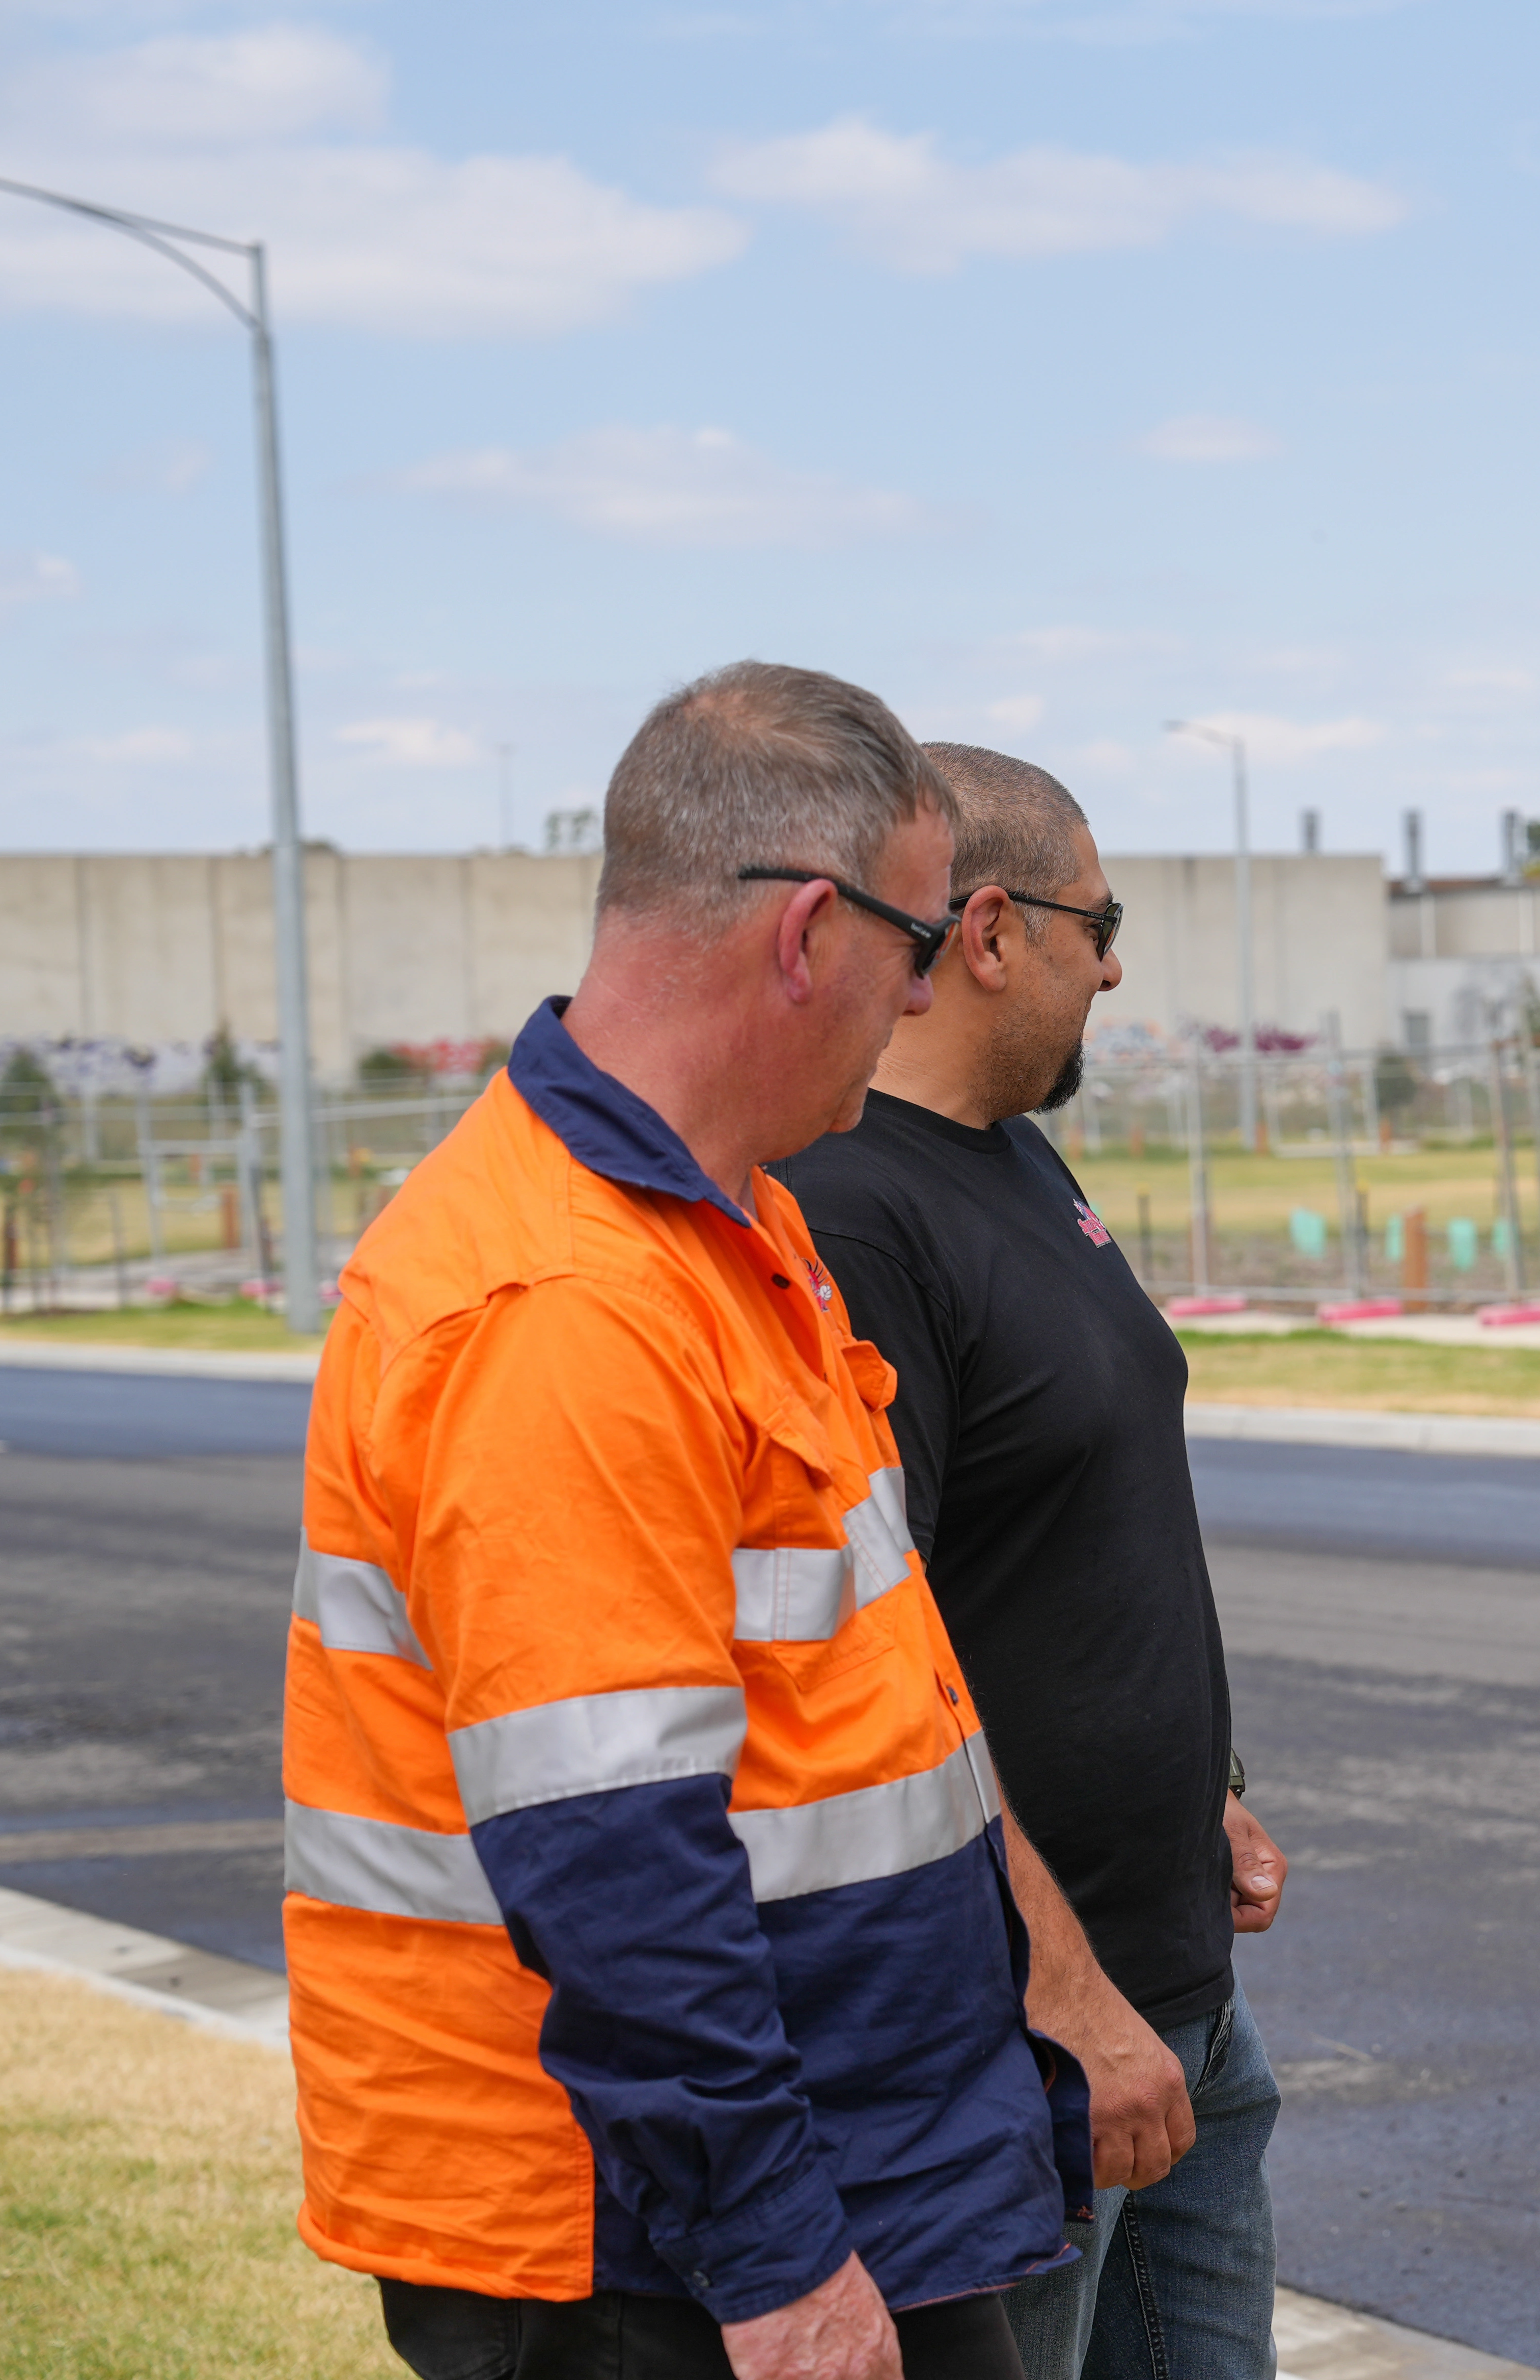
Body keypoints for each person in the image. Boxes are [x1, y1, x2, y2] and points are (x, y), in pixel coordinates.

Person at [282, 663, 1089, 2380]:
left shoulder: (731, 1231)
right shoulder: (560, 1302)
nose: (927, 991)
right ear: (812, 933)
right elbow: (608, 1851)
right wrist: (779, 2265)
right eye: (922, 942)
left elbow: (858, 1713)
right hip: (641, 2247)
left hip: (812, 2174)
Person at [774, 745, 1286, 2380]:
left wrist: (1202, 1781)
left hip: (1179, 1992)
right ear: (990, 929)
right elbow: (875, 1655)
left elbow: (1070, 1530)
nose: (1117, 963)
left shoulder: (1014, 1159)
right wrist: (1058, 1991)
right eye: (1099, 918)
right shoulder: (852, 1214)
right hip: (1030, 2038)